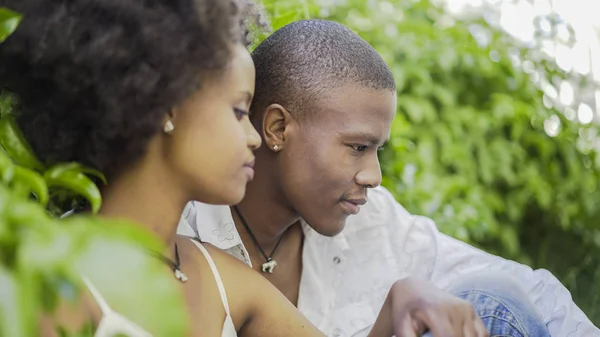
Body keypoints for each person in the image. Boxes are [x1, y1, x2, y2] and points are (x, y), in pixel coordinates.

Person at [0, 1, 490, 337]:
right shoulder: (48, 279)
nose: (256, 136)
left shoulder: (219, 276)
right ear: (166, 107)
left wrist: (402, 299)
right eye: (239, 111)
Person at [178, 19, 600, 337]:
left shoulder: (371, 219)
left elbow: (526, 289)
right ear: (277, 129)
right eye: (358, 147)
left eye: (378, 150)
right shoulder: (186, 231)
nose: (374, 176)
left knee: (491, 297)